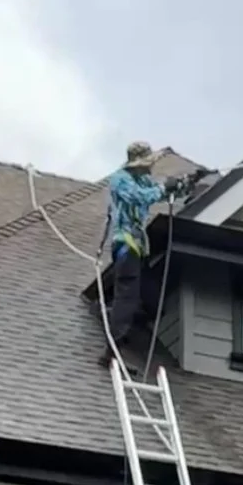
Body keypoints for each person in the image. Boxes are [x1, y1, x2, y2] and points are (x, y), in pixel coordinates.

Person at [100, 143, 198, 366]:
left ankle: (125, 322)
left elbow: (158, 193)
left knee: (153, 300)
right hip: (125, 244)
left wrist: (185, 184)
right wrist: (165, 188)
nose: (149, 168)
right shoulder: (120, 179)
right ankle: (112, 349)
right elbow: (141, 198)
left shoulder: (143, 180)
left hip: (139, 247)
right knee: (127, 296)